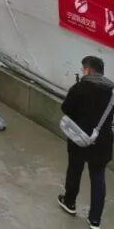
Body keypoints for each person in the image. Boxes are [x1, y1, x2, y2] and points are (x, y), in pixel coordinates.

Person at [59, 55, 114, 228]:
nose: (83, 71)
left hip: (79, 138)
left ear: (88, 70)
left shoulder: (80, 87)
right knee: (98, 178)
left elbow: (65, 108)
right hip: (102, 142)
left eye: (84, 69)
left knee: (75, 169)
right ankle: (95, 219)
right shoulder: (112, 92)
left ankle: (69, 203)